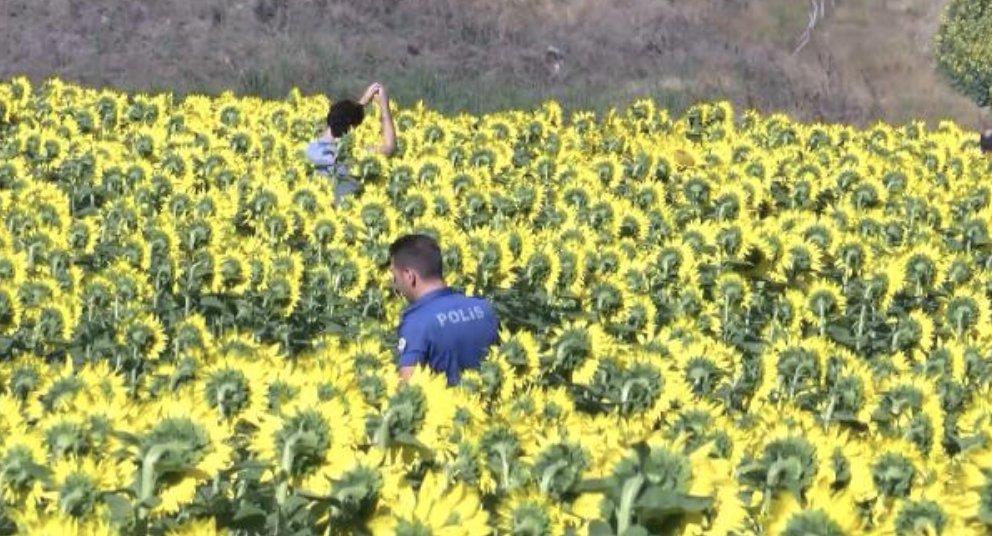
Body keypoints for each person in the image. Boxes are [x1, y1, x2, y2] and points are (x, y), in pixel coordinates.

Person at [389, 234, 499, 386]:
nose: (395, 284)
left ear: (409, 276)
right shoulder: (483, 308)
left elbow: (408, 388)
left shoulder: (417, 323)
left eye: (395, 277)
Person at [305, 82, 396, 205]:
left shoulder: (310, 151)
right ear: (352, 130)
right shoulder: (355, 156)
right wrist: (384, 107)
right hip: (347, 216)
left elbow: (344, 118)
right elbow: (389, 148)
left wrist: (362, 102)